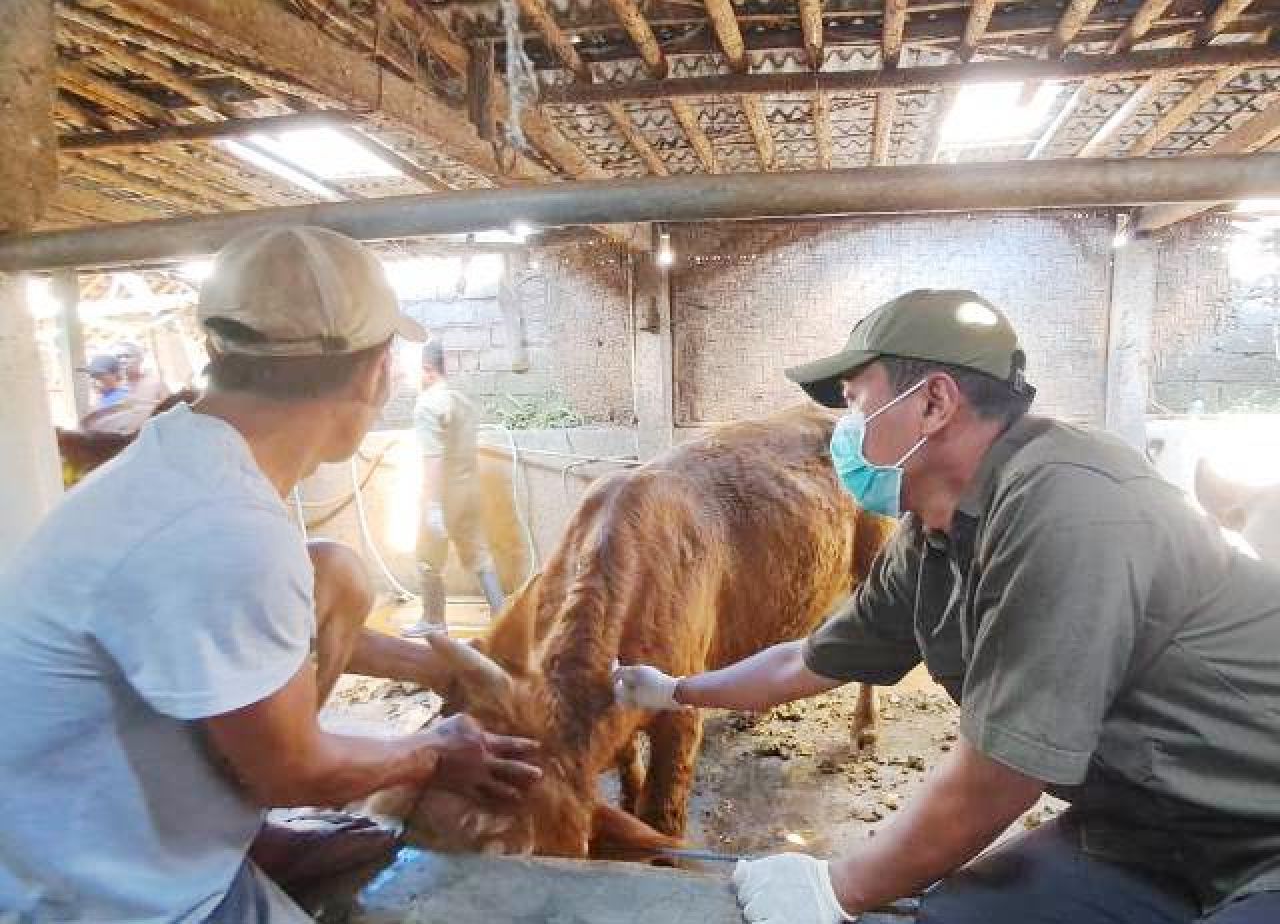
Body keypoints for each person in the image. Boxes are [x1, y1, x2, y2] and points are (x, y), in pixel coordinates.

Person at [613, 288, 1280, 924]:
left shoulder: (1070, 506)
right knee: (960, 914)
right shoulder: (933, 538)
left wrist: (837, 885)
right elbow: (808, 661)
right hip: (1145, 829)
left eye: (854, 402)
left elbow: (1003, 774)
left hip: (1259, 829)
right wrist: (676, 690)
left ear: (933, 403)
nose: (843, 430)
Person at [0, 226, 541, 924]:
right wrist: (431, 753)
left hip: (55, 836)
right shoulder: (228, 528)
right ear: (376, 372)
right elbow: (293, 772)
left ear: (214, 349)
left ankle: (244, 837)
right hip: (109, 896)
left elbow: (252, 640)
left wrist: (437, 669)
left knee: (335, 570)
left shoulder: (182, 460)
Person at [401, 337, 505, 637]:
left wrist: (432, 506)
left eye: (413, 371)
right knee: (480, 555)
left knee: (426, 559)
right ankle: (501, 617)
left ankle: (434, 621)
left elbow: (432, 459)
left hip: (445, 496)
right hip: (470, 491)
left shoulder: (427, 406)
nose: (409, 377)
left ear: (427, 370)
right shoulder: (461, 400)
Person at [115, 340, 172, 408]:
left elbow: (175, 412)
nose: (123, 361)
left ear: (140, 359)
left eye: (127, 356)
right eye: (118, 357)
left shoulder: (156, 384)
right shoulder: (116, 389)